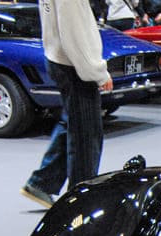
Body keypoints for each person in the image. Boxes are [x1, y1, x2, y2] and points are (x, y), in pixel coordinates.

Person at [21, 0, 114, 209]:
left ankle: (42, 183)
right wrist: (96, 72)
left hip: (60, 59)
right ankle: (80, 202)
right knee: (85, 137)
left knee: (73, 124)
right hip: (73, 65)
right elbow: (74, 34)